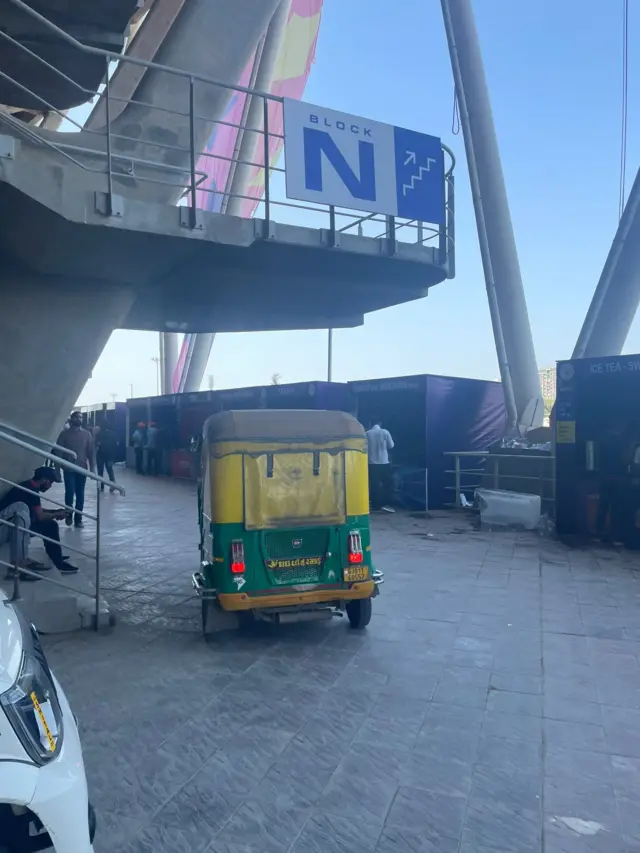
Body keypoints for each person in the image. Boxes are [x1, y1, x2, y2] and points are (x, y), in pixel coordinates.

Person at [0, 468, 78, 574]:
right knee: (50, 525)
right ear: (43, 479)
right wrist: (56, 514)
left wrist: (55, 512)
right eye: (50, 482)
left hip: (13, 525)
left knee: (50, 525)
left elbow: (37, 510)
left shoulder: (29, 486)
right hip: (6, 528)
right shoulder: (30, 490)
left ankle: (57, 557)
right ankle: (56, 562)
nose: (50, 486)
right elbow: (40, 516)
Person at [56, 412, 95, 528]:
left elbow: (91, 452)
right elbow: (58, 453)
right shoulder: (64, 435)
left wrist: (92, 469)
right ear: (72, 419)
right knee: (69, 492)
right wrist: (57, 470)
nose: (79, 419)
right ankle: (69, 514)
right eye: (77, 417)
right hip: (68, 469)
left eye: (81, 417)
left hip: (82, 468)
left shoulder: (87, 434)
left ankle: (78, 519)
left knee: (80, 494)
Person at [366, 418, 395, 512]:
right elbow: (391, 446)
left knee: (374, 484)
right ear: (380, 423)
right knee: (387, 483)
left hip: (371, 463)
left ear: (371, 423)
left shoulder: (367, 434)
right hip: (384, 463)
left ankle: (374, 504)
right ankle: (385, 504)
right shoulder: (385, 432)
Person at [96, 418, 118, 492]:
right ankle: (113, 485)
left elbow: (97, 444)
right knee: (110, 470)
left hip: (100, 455)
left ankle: (101, 486)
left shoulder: (99, 434)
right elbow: (115, 446)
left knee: (100, 471)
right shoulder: (113, 434)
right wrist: (113, 457)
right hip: (110, 455)